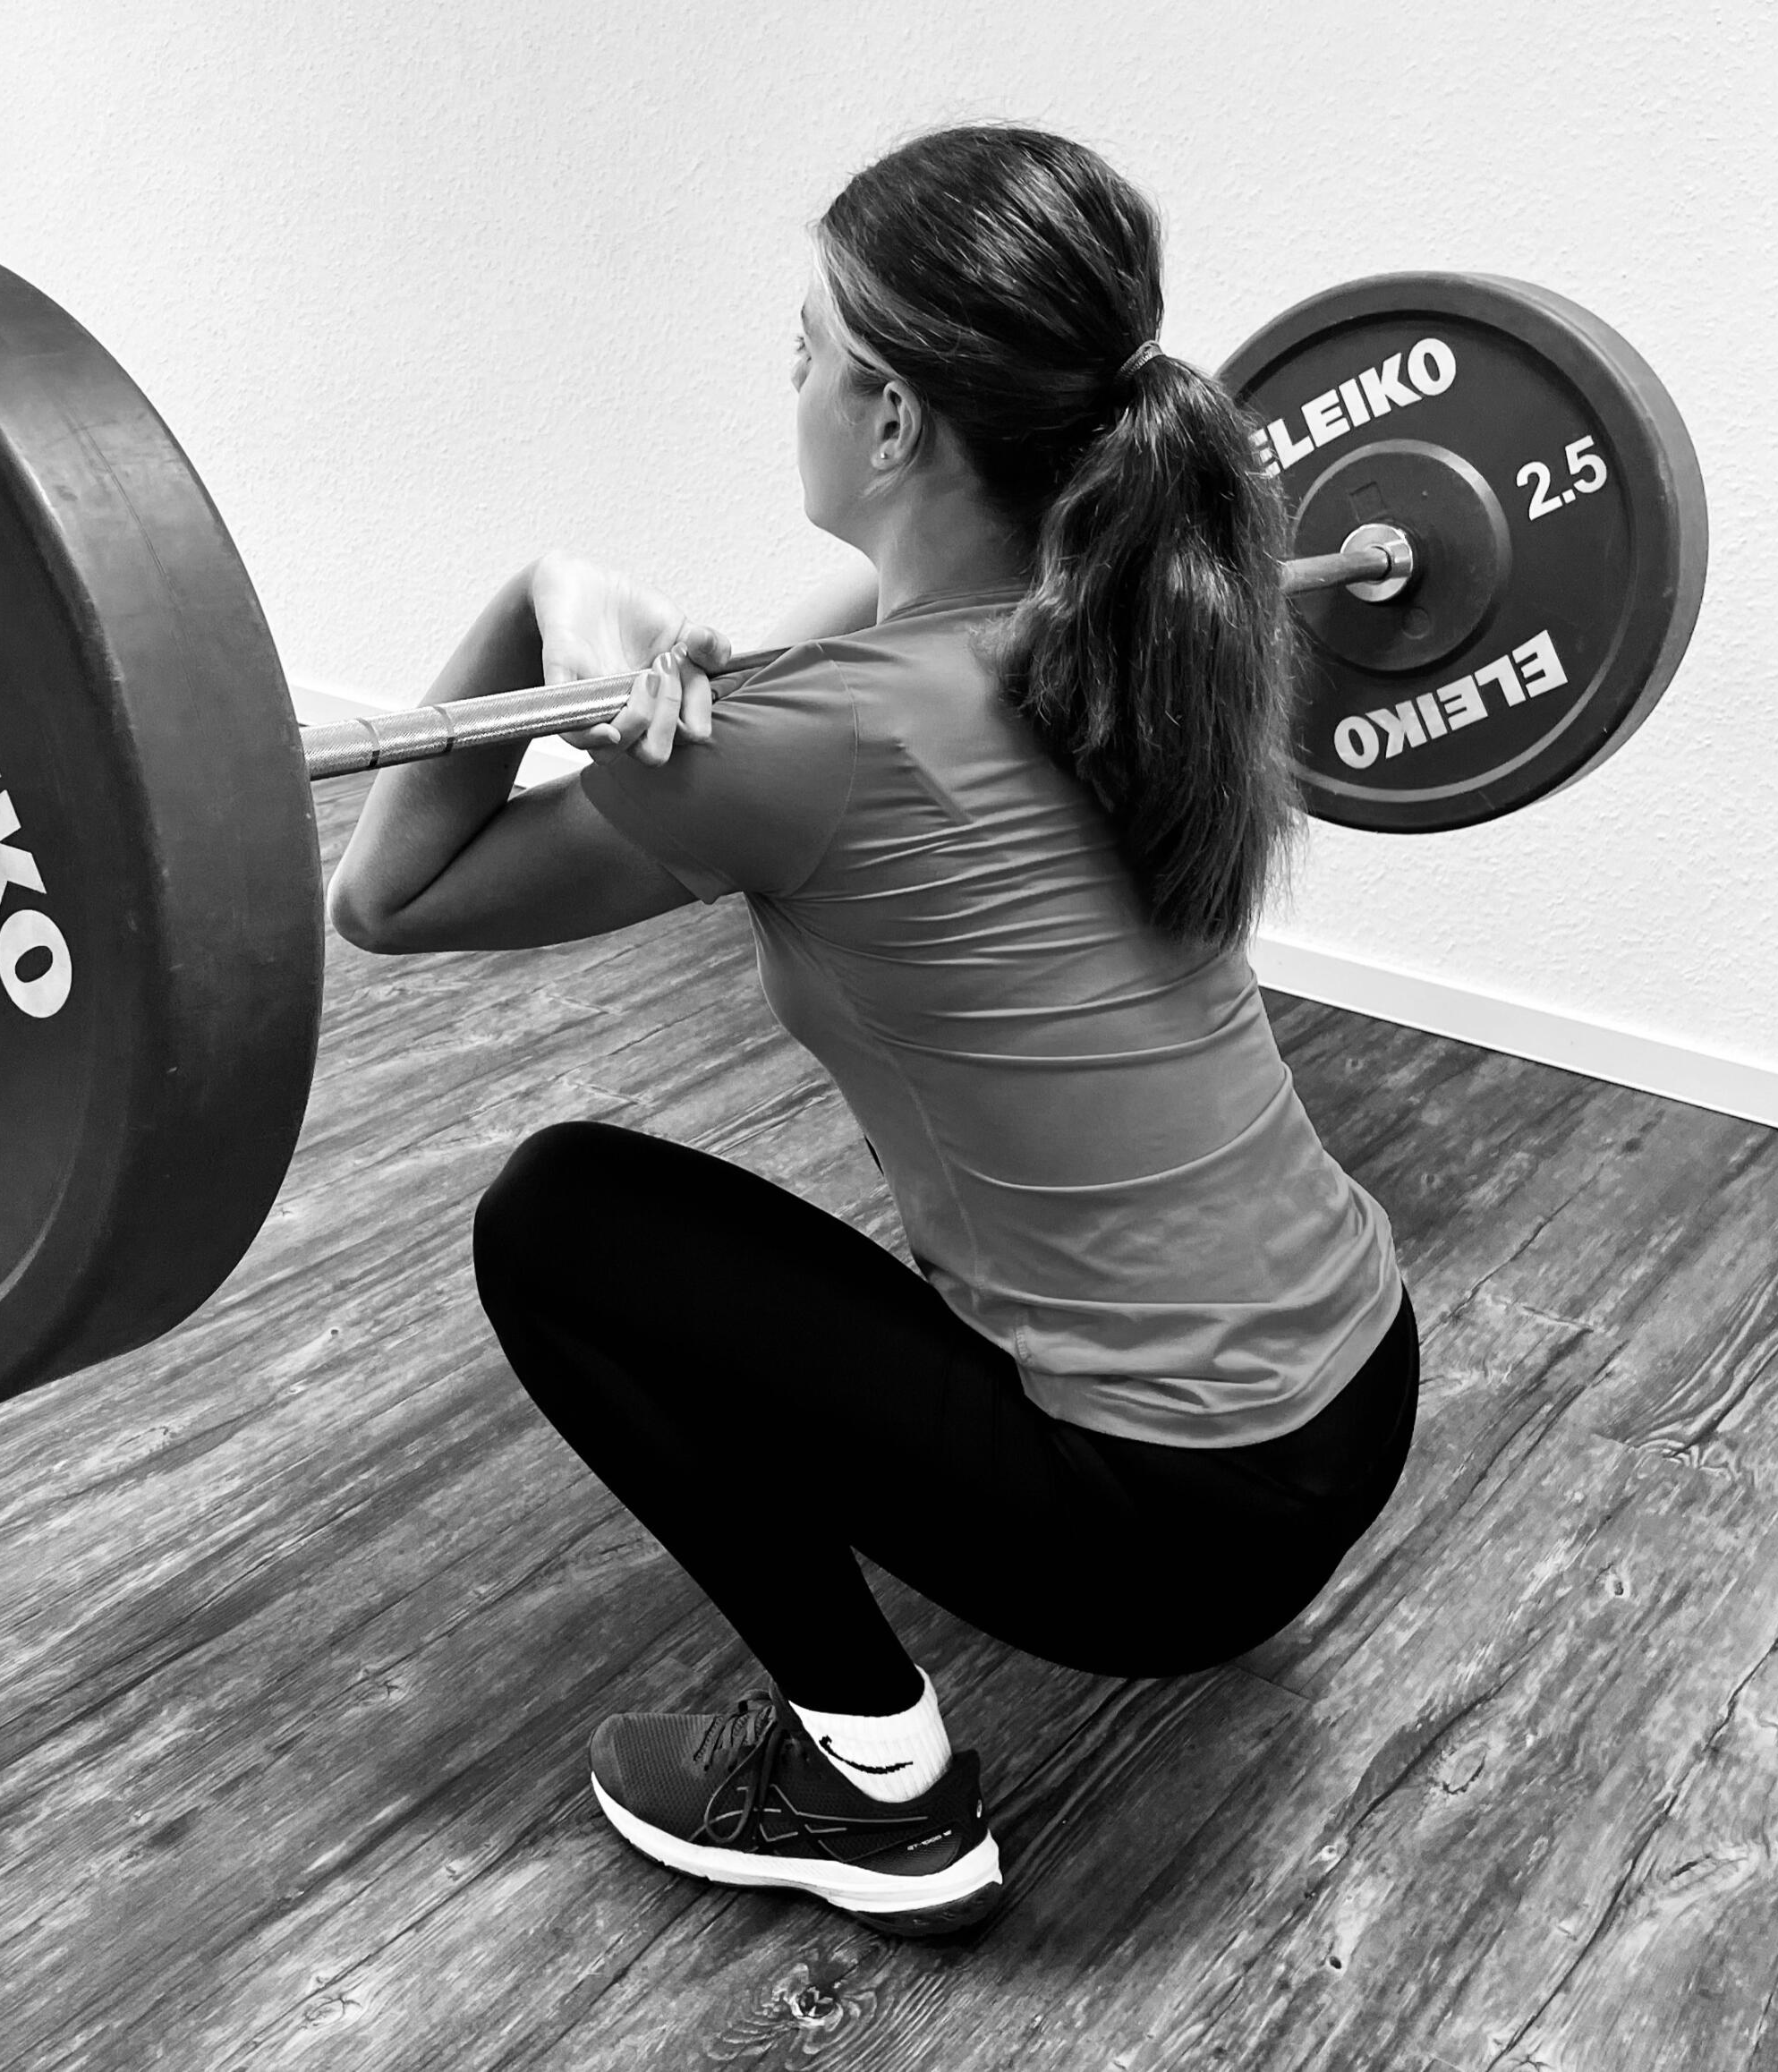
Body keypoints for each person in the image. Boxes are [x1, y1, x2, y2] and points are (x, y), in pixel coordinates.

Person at [328, 123, 1416, 1939]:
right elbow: (833, 668)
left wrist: (538, 599)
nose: (793, 386)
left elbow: (385, 901)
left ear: (893, 417)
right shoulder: (1128, 631)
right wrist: (672, 681)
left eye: (806, 352)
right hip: (1356, 1395)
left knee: (559, 1217)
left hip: (1166, 1537)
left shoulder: (822, 747)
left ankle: (870, 1786)